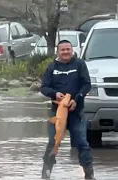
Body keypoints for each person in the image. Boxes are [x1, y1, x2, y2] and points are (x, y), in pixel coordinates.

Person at [40, 40, 95, 179]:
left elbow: (87, 85)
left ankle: (89, 174)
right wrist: (54, 94)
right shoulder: (52, 67)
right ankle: (45, 174)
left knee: (82, 143)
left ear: (72, 50)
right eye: (62, 50)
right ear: (58, 52)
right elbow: (44, 87)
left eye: (68, 49)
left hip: (76, 114)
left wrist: (76, 99)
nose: (65, 52)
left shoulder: (80, 64)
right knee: (53, 142)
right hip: (57, 114)